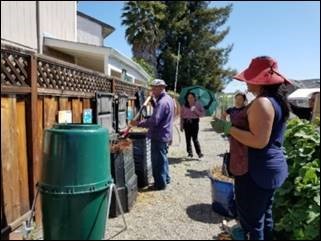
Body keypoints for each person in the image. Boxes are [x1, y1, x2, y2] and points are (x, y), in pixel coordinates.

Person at [212, 56, 291, 240]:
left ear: (259, 80)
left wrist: (228, 128)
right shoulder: (277, 102)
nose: (246, 81)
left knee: (251, 222)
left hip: (255, 171)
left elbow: (258, 141)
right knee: (265, 215)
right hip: (270, 169)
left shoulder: (262, 103)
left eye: (249, 77)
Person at [130, 79, 174, 190]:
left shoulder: (162, 102)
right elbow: (161, 114)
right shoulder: (167, 99)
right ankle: (166, 179)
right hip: (165, 134)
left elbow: (154, 121)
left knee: (158, 161)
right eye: (152, 88)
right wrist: (154, 102)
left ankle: (160, 184)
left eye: (154, 88)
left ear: (162, 88)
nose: (152, 90)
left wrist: (138, 123)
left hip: (158, 136)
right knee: (163, 159)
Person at [221, 92, 249, 176]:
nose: (238, 101)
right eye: (237, 99)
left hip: (244, 134)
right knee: (234, 152)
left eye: (240, 99)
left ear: (244, 100)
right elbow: (223, 115)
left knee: (243, 153)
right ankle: (233, 170)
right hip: (233, 134)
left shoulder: (246, 110)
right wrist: (226, 124)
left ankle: (243, 171)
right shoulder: (231, 109)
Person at [180, 92, 204, 158]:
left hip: (194, 123)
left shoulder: (198, 104)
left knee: (195, 138)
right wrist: (181, 125)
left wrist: (195, 110)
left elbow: (202, 115)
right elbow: (181, 116)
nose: (190, 99)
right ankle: (190, 153)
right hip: (186, 123)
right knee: (187, 139)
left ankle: (199, 153)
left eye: (191, 97)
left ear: (194, 98)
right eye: (188, 97)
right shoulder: (184, 105)